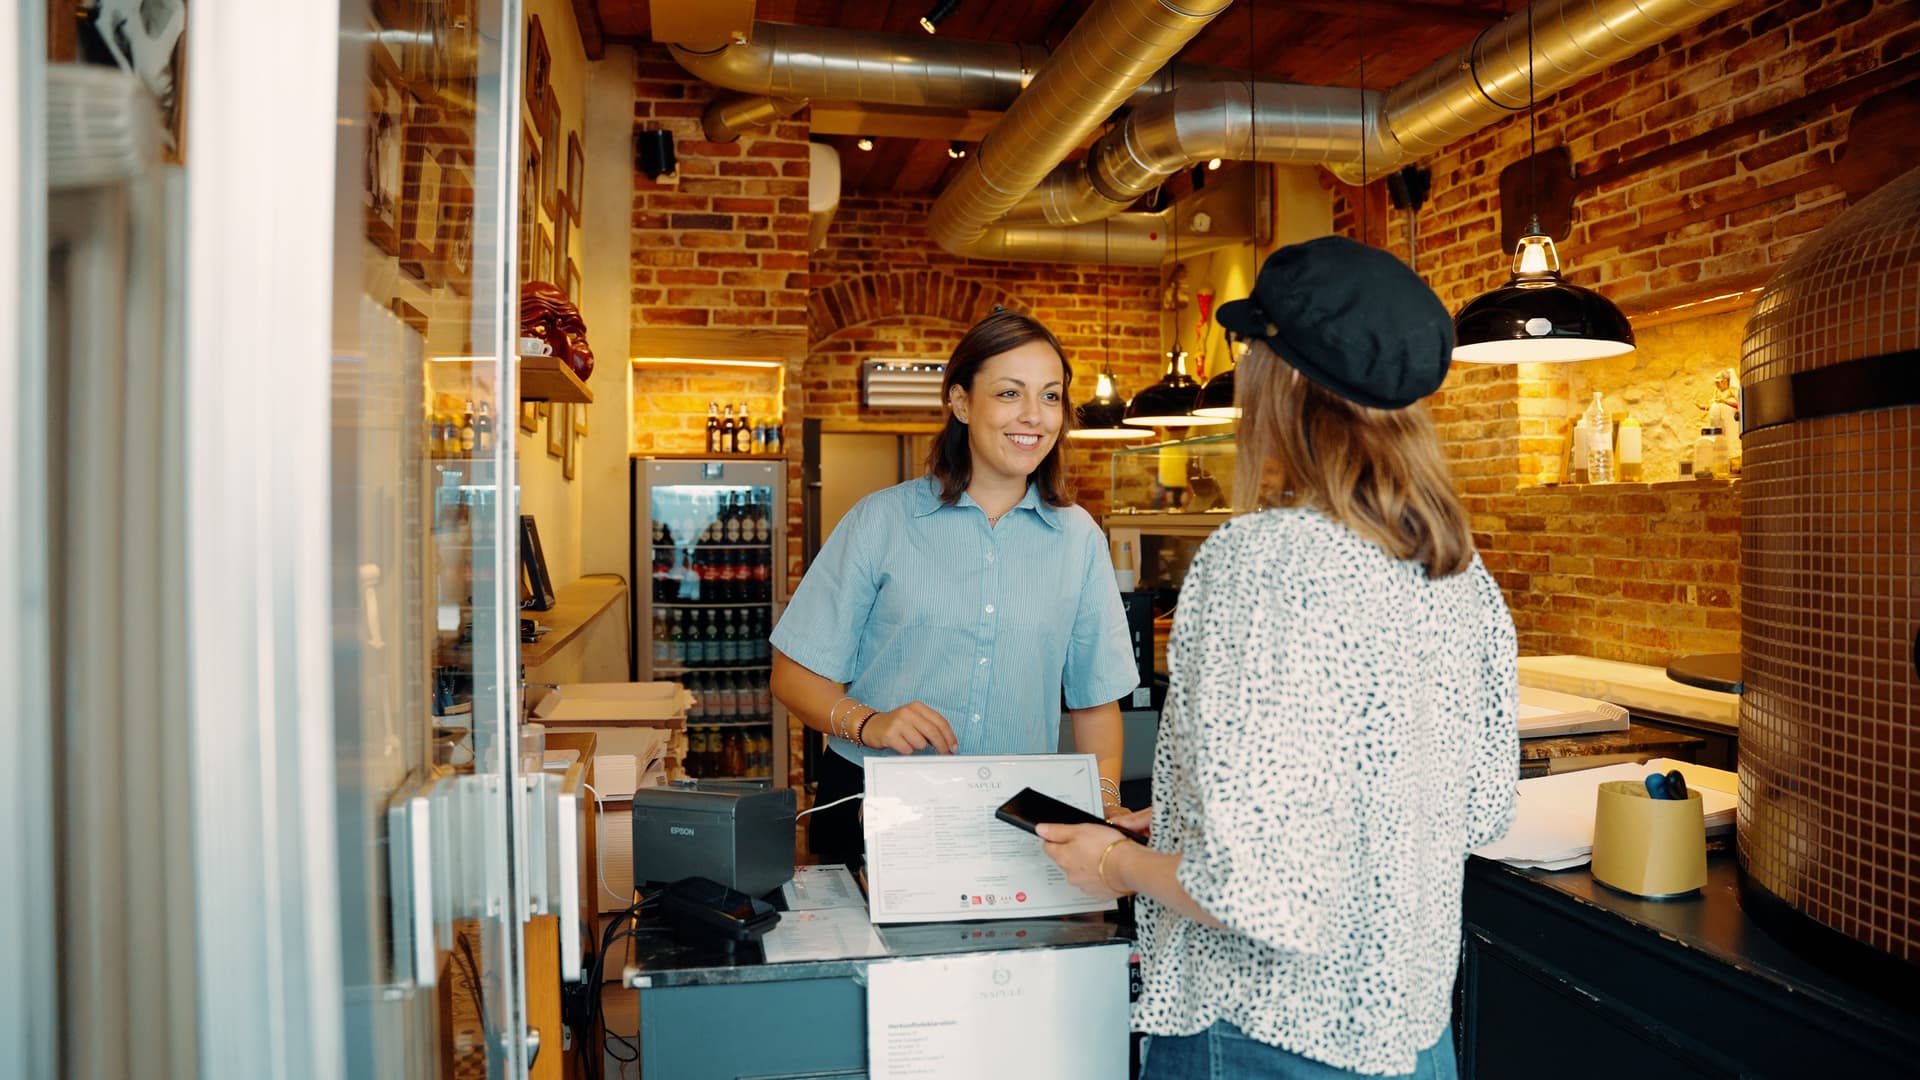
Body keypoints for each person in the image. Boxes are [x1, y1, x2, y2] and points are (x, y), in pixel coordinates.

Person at [1037, 237, 1519, 1079]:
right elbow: (1475, 811)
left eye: (1251, 351)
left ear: (1288, 379)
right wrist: (1194, 819)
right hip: (1411, 1036)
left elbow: (1257, 893)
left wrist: (1112, 862)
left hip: (1262, 1036)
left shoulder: (1260, 563)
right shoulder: (1457, 566)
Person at [770, 309, 1140, 867]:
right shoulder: (881, 521)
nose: (1033, 417)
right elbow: (792, 673)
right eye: (1010, 393)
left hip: (1014, 813)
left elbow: (1095, 702)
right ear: (962, 402)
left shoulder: (1078, 538)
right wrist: (869, 722)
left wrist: (1103, 806)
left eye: (1051, 396)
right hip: (873, 803)